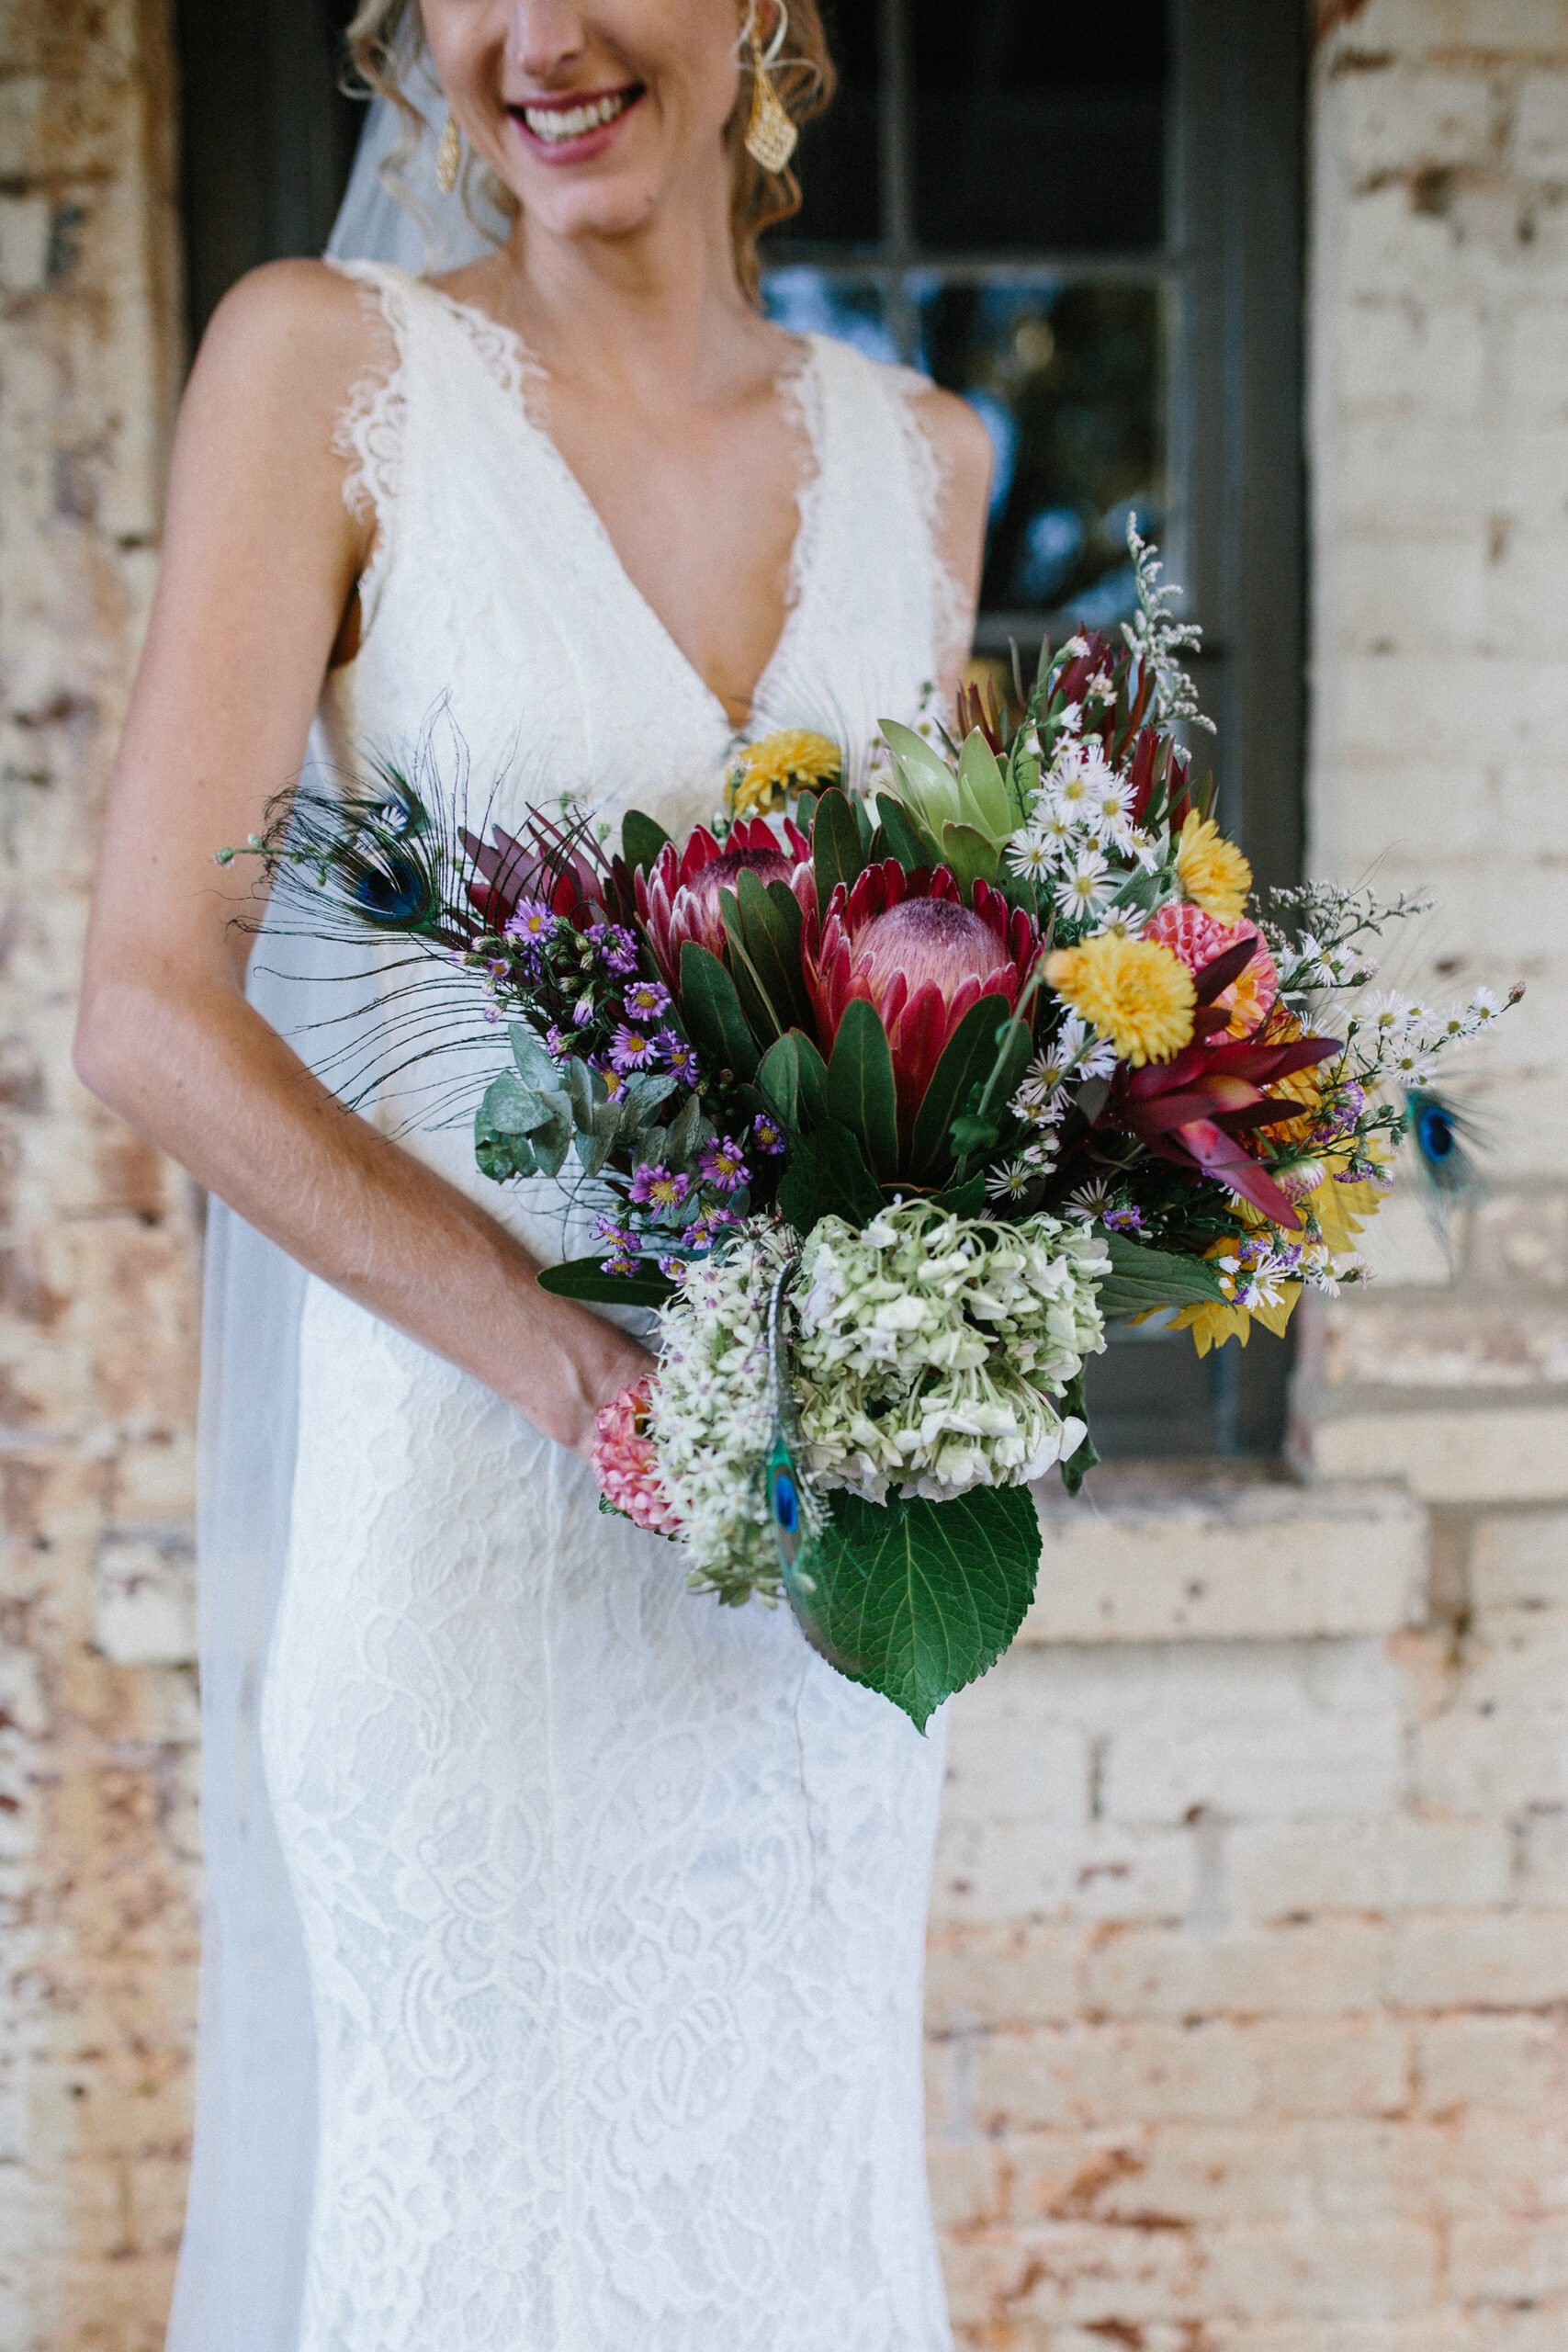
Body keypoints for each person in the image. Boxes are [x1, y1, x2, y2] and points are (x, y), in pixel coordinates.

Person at [75, 2, 991, 2345]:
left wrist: (968, 1320)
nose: (539, 36)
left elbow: (948, 1015)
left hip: (802, 1597)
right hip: (473, 1561)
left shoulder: (927, 460)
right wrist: (574, 1368)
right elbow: (150, 1007)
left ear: (767, 16)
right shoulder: (323, 367)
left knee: (795, 2226)